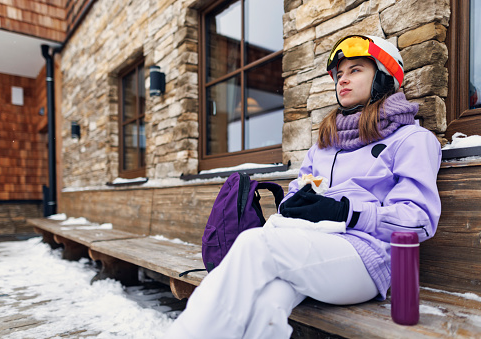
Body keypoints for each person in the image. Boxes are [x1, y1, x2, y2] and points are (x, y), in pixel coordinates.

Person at [165, 34, 442, 339]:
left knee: (254, 243)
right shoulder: (325, 145)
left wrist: (347, 213)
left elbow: (418, 220)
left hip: (368, 259)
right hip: (311, 246)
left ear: (384, 77)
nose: (343, 81)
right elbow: (298, 195)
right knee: (269, 302)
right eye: (339, 74)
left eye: (356, 70)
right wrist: (294, 205)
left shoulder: (412, 140)